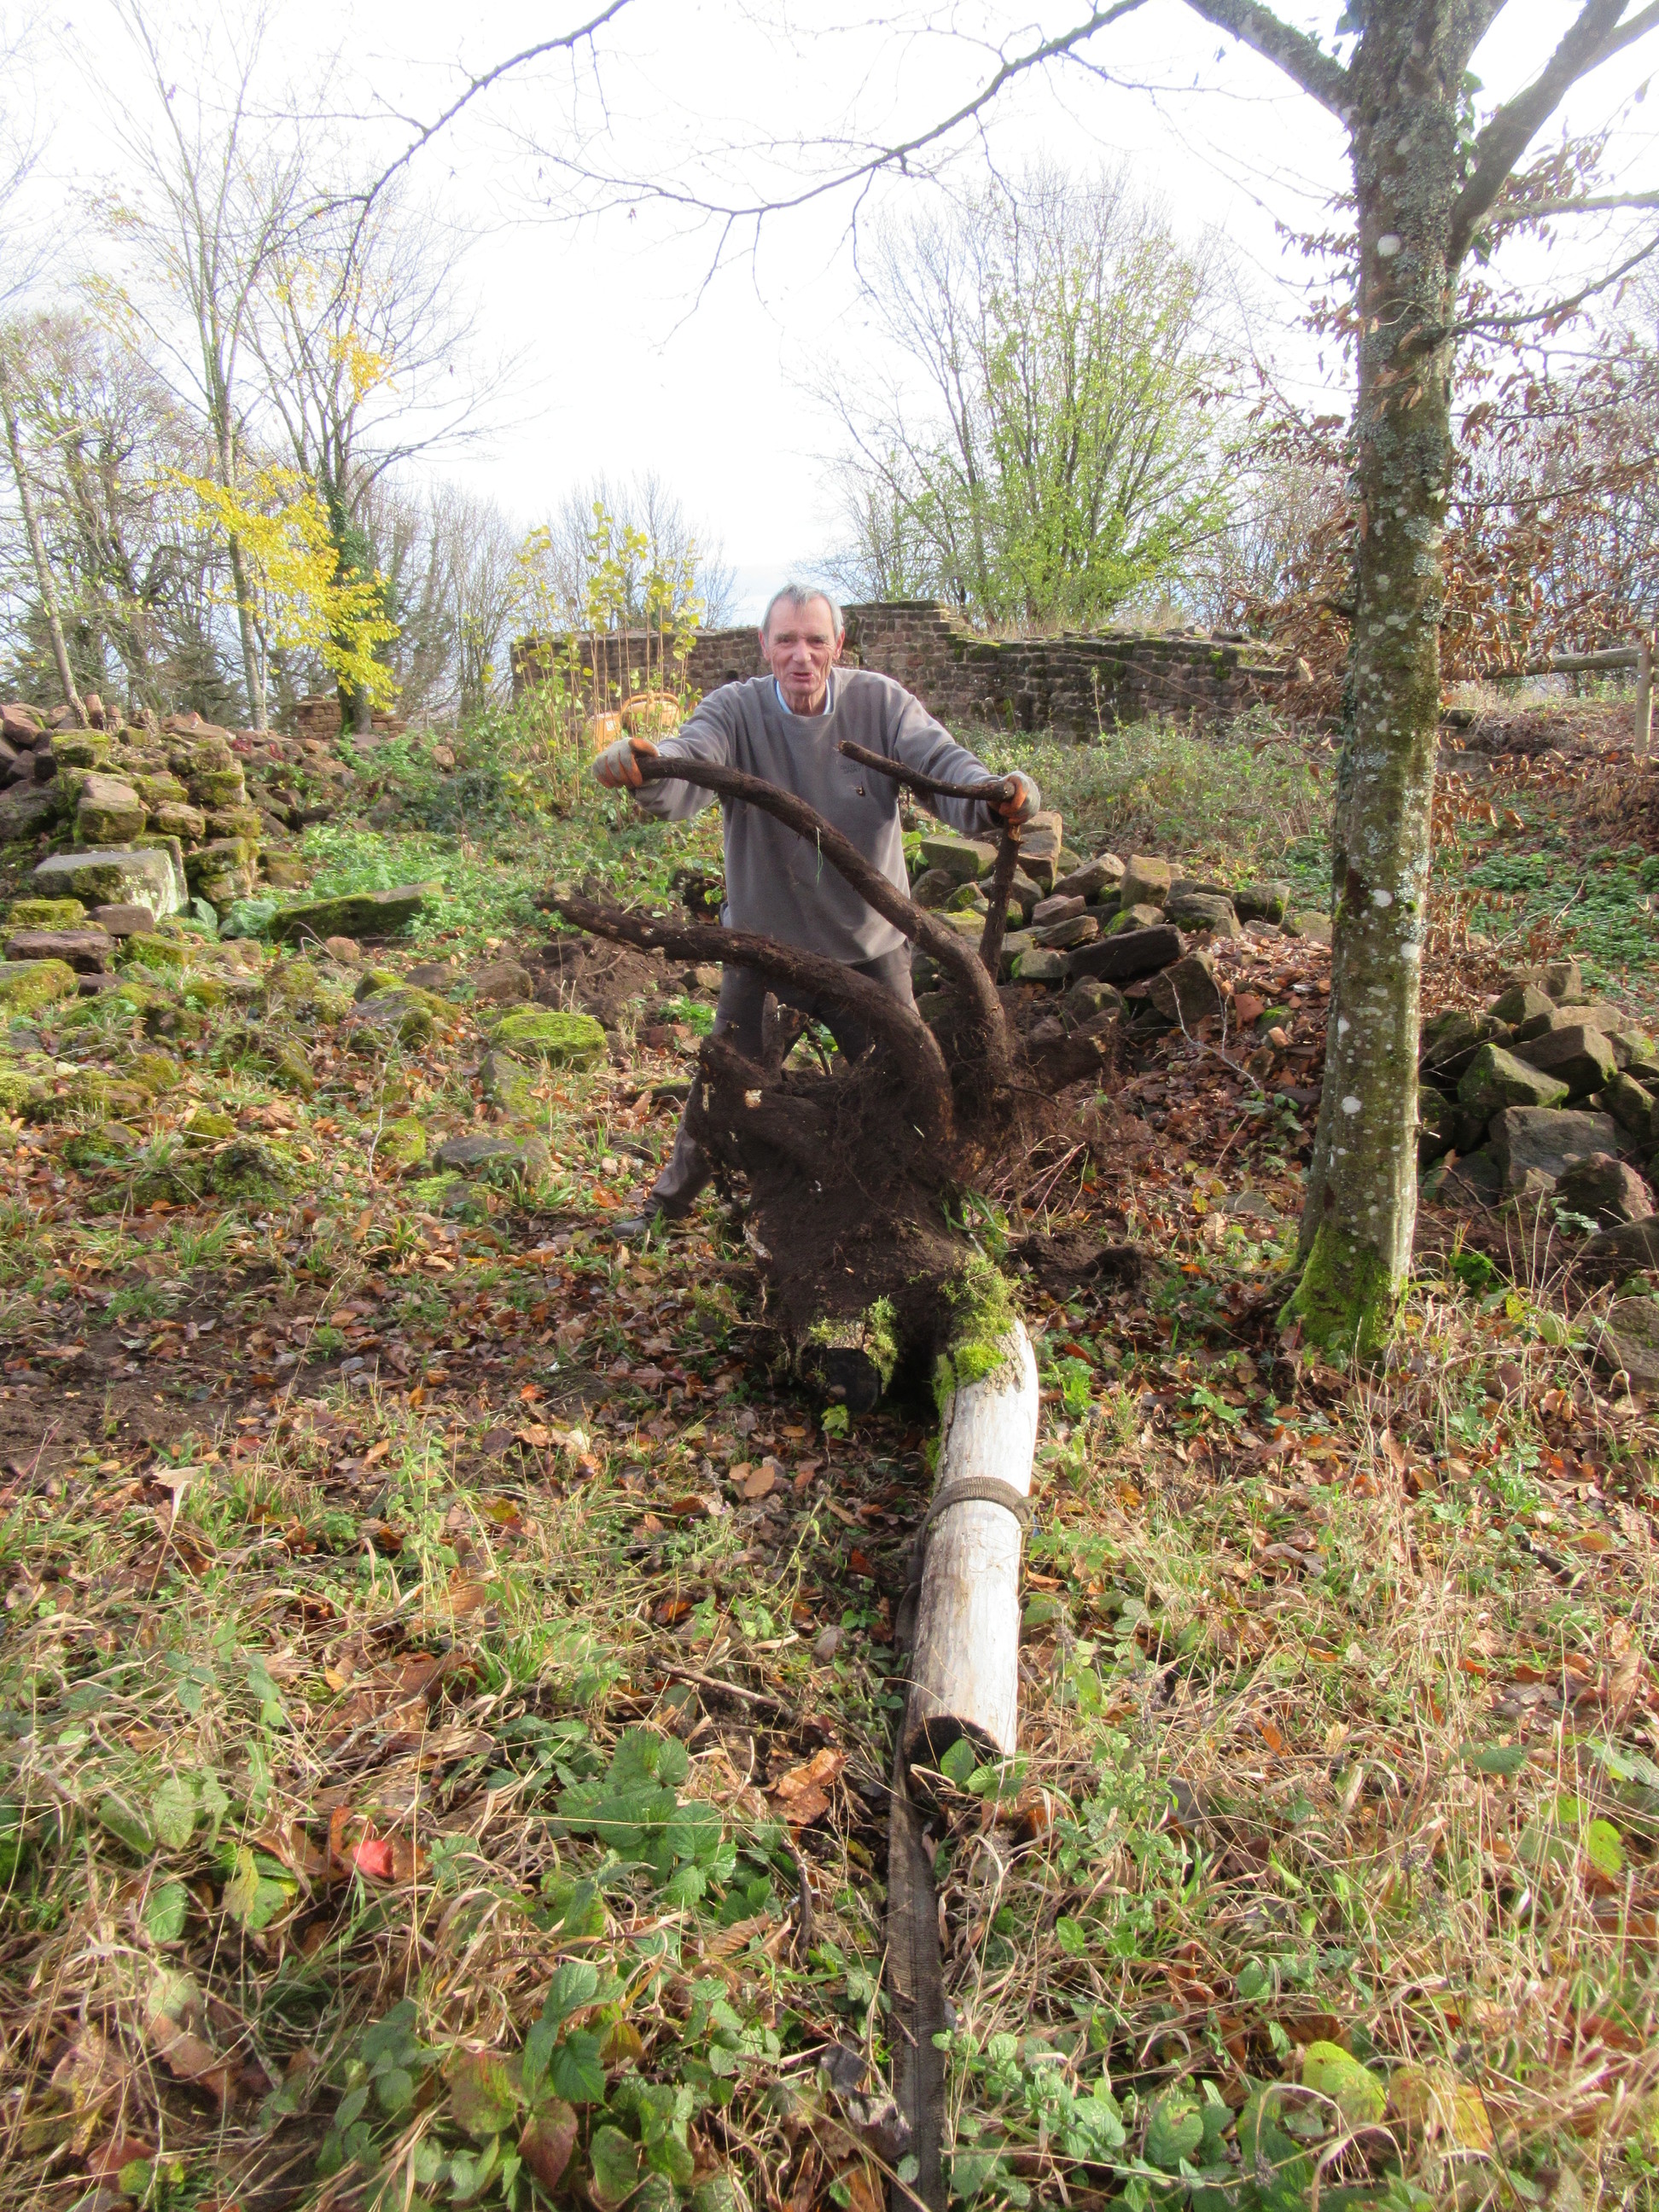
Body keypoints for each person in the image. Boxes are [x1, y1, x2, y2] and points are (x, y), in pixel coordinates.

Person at [593, 582, 1038, 1228]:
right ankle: (666, 1209)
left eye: (815, 640)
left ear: (839, 644)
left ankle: (931, 1211)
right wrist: (644, 765)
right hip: (765, 951)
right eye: (786, 640)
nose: (801, 655)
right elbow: (688, 762)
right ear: (764, 645)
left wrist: (999, 794)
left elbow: (944, 767)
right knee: (725, 1083)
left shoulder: (880, 704)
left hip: (869, 951)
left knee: (909, 1091)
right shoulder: (735, 710)